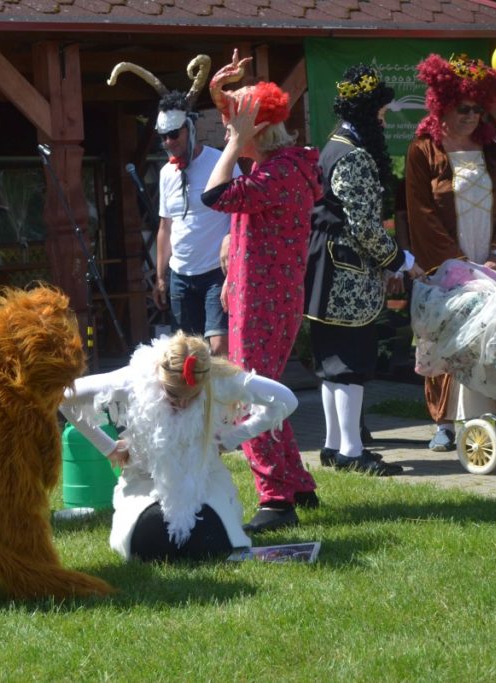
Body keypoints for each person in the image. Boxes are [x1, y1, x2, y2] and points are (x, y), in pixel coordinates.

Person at [201, 50, 323, 533]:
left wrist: (232, 146)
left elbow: (213, 195)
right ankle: (296, 483)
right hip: (262, 296)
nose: (228, 129)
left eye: (236, 126)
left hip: (265, 301)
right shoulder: (284, 166)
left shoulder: (276, 175)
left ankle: (275, 500)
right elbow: (236, 116)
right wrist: (220, 86)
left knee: (247, 395)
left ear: (257, 133)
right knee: (264, 390)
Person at [59, 332, 299, 562]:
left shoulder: (220, 380)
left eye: (191, 396)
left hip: (205, 481)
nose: (182, 403)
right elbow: (64, 397)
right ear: (158, 376)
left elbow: (286, 399)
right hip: (145, 483)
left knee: (208, 543)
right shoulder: (131, 381)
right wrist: (109, 448)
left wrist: (232, 438)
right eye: (173, 395)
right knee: (150, 541)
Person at [304, 64, 423, 476]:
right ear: (368, 112)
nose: (384, 119)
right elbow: (365, 227)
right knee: (350, 363)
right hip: (346, 274)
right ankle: (352, 451)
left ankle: (334, 446)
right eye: (381, 113)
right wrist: (401, 261)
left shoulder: (333, 144)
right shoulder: (353, 155)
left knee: (333, 364)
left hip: (328, 268)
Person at [404, 54, 496, 451]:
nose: (472, 117)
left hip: (491, 257)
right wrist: (453, 261)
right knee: (446, 331)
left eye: (478, 108)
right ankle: (447, 423)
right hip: (448, 261)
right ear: (443, 106)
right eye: (463, 109)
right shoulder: (423, 149)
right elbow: (419, 211)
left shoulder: (495, 144)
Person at [154, 90, 240, 355]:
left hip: (216, 271)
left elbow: (241, 212)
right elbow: (165, 226)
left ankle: (222, 398)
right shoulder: (166, 172)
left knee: (218, 347)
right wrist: (160, 276)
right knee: (187, 353)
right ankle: (197, 398)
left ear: (189, 128)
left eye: (174, 134)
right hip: (181, 273)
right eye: (163, 136)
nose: (169, 142)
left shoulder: (219, 162)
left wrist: (231, 245)